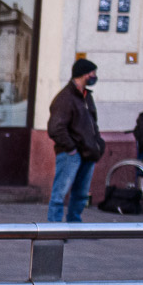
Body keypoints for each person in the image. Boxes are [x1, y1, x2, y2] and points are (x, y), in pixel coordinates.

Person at [45, 58, 103, 223]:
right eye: (92, 73)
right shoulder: (66, 98)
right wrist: (71, 148)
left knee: (81, 194)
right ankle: (54, 228)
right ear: (84, 74)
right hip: (71, 153)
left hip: (88, 151)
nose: (94, 76)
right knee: (60, 192)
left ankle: (75, 225)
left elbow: (93, 123)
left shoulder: (86, 96)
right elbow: (56, 128)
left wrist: (98, 144)